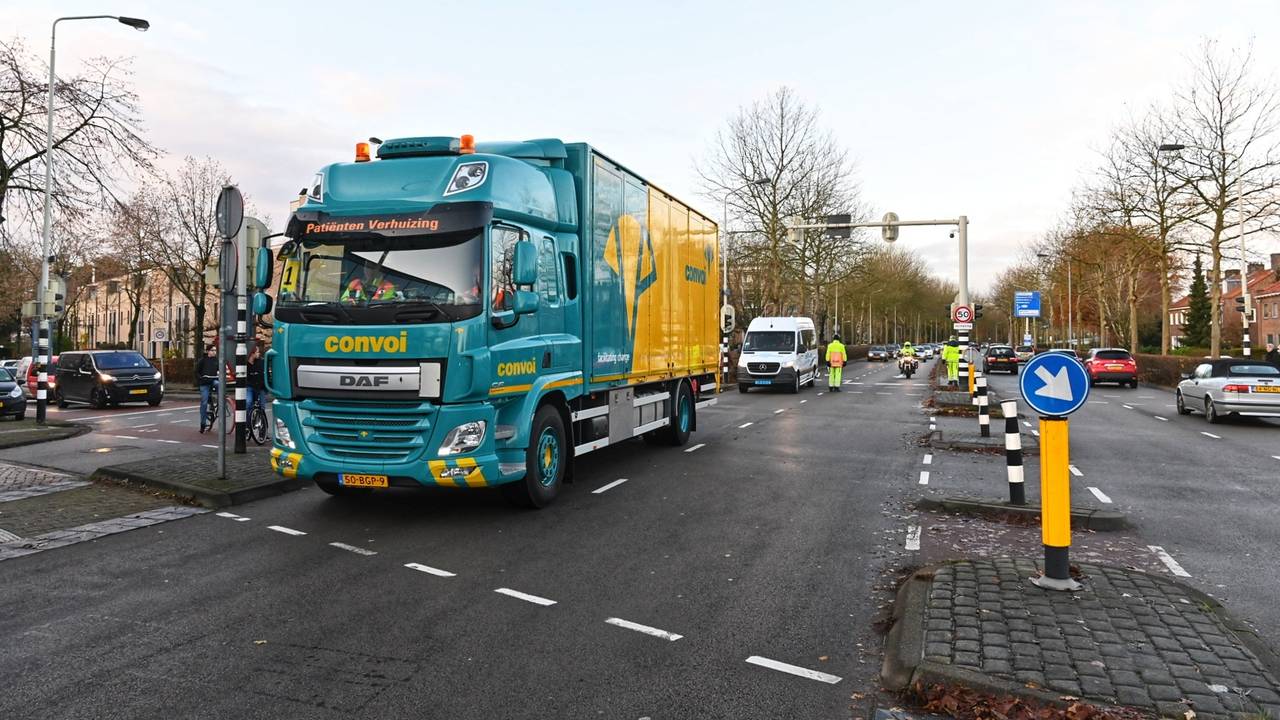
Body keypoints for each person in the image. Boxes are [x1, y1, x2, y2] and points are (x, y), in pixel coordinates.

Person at [196, 345, 220, 433]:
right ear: (208, 351)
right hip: (204, 383)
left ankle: (220, 400)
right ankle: (202, 424)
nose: (214, 352)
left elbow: (220, 370)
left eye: (215, 350)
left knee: (218, 384)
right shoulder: (202, 360)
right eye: (212, 350)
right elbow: (197, 372)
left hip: (213, 380)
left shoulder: (217, 360)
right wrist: (201, 378)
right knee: (204, 402)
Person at [246, 346, 266, 412]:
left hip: (260, 387)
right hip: (250, 387)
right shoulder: (245, 365)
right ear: (252, 354)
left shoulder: (261, 362)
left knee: (262, 406)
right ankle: (249, 420)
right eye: (257, 352)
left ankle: (261, 420)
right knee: (248, 403)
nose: (259, 354)